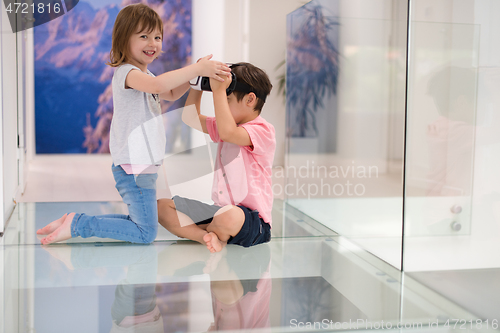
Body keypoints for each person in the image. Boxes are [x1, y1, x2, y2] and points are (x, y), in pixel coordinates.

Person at [37, 3, 231, 245]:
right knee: (145, 232)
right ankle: (78, 224)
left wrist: (194, 78)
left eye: (157, 37)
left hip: (141, 164)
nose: (153, 43)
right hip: (134, 165)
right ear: (123, 40)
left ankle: (74, 221)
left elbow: (169, 93)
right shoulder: (126, 73)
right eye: (144, 36)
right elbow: (160, 86)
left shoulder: (146, 76)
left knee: (140, 222)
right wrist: (196, 67)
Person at [157, 62, 275, 252]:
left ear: (250, 100)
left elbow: (228, 133)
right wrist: (198, 83)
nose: (221, 104)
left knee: (229, 216)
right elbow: (190, 117)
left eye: (227, 99)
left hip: (253, 221)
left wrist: (218, 90)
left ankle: (212, 230)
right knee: (162, 208)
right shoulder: (226, 126)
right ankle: (207, 236)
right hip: (220, 212)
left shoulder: (263, 131)